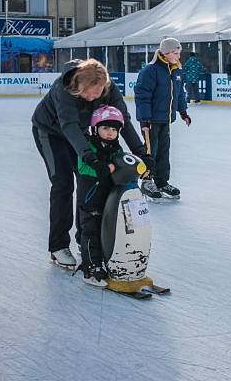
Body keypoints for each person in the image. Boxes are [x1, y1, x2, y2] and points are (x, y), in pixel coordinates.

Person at [32, 58, 151, 270]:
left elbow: (122, 120)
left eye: (97, 94)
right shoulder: (64, 89)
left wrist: (141, 152)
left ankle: (84, 239)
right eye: (88, 93)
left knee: (89, 180)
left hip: (80, 132)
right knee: (63, 183)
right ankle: (58, 246)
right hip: (50, 132)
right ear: (79, 84)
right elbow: (69, 126)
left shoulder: (108, 88)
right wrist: (90, 158)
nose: (92, 98)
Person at [134, 37, 191, 201]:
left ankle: (161, 182)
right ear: (166, 53)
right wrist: (144, 120)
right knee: (151, 151)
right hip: (150, 121)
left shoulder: (176, 70)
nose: (178, 57)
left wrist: (183, 112)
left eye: (179, 53)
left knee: (164, 151)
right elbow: (142, 96)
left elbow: (180, 94)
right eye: (176, 53)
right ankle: (146, 180)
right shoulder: (151, 71)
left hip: (165, 119)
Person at [76, 105, 126, 288]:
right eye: (106, 128)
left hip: (108, 200)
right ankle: (90, 267)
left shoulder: (117, 149)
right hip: (90, 199)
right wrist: (103, 169)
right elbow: (83, 168)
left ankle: (105, 260)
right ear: (95, 128)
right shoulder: (88, 147)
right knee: (91, 232)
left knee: (106, 231)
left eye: (114, 129)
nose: (110, 133)